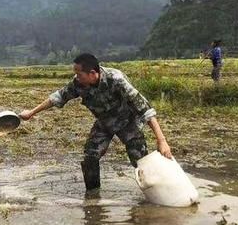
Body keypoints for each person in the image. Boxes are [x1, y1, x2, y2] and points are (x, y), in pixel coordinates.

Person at [20, 53, 172, 191]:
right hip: (104, 123)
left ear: (92, 73)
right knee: (90, 157)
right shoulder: (78, 84)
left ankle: (160, 191)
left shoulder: (116, 79)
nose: (76, 78)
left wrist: (161, 140)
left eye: (79, 74)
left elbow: (145, 110)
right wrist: (32, 112)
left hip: (128, 122)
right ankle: (93, 197)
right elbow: (58, 97)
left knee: (141, 162)